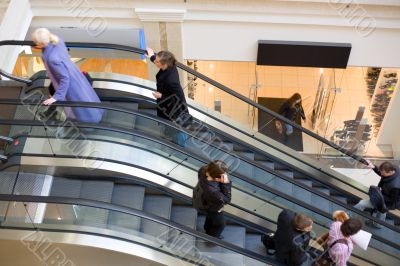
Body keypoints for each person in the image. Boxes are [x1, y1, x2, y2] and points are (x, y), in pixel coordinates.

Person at [32, 28, 103, 123]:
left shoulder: (52, 58)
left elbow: (65, 78)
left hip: (70, 84)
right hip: (74, 73)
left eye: (35, 42)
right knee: (86, 95)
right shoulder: (58, 40)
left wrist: (55, 97)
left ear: (41, 43)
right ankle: (97, 113)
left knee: (79, 102)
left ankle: (90, 122)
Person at [146, 48, 191, 147]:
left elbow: (178, 100)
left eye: (157, 61)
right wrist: (152, 56)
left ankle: (179, 148)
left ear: (164, 64)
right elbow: (158, 61)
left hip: (173, 110)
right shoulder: (168, 66)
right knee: (170, 128)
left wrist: (161, 96)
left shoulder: (172, 80)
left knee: (176, 132)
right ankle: (169, 135)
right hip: (167, 106)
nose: (155, 62)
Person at [354, 160, 400, 228]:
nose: (381, 174)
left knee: (362, 203)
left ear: (390, 172)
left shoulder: (395, 187)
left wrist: (379, 195)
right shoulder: (394, 169)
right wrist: (373, 167)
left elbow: (393, 201)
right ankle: (378, 225)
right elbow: (381, 172)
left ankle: (349, 217)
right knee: (382, 209)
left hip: (389, 201)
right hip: (385, 195)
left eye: (383, 174)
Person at [194, 160, 231, 239]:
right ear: (216, 175)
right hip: (213, 206)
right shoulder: (213, 191)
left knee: (210, 217)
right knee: (220, 225)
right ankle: (212, 239)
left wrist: (217, 180)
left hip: (204, 200)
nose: (225, 175)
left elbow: (207, 180)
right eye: (223, 173)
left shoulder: (203, 169)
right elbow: (227, 199)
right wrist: (226, 183)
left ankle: (207, 230)